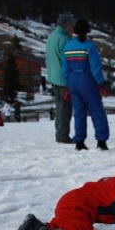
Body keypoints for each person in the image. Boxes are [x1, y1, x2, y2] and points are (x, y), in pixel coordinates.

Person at [62, 19, 110, 151]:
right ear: (87, 31)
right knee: (97, 111)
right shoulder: (89, 46)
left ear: (74, 31)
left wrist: (67, 85)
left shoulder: (67, 47)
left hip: (72, 80)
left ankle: (79, 142)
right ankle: (101, 141)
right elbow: (95, 68)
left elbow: (64, 69)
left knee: (79, 112)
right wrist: (101, 83)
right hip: (87, 79)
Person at [46, 12, 75, 144]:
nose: (73, 26)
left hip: (54, 77)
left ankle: (60, 132)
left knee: (60, 106)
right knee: (65, 108)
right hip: (64, 79)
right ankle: (63, 135)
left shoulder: (52, 36)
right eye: (72, 24)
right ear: (67, 25)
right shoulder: (64, 39)